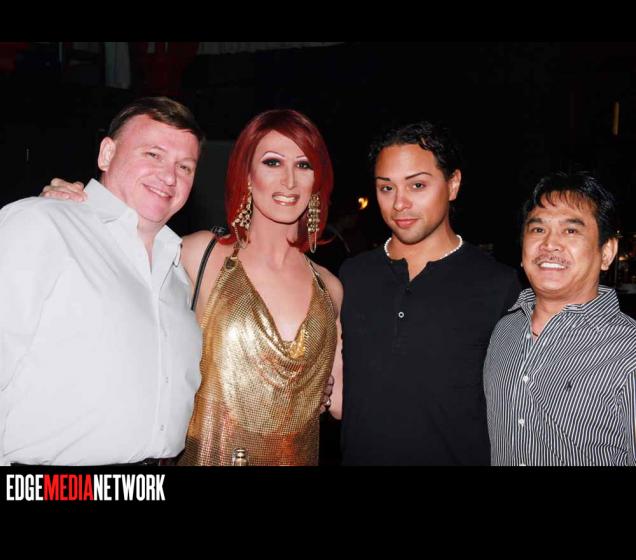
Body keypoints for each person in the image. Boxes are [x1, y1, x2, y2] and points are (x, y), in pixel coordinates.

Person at [41, 109, 343, 466]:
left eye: (304, 165)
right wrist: (80, 207)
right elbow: (116, 260)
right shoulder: (199, 254)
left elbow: (342, 402)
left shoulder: (330, 287)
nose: (289, 180)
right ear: (247, 175)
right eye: (273, 162)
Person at [0, 97, 204, 466]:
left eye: (185, 166)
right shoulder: (42, 225)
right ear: (107, 154)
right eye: (153, 155)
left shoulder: (177, 273)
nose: (169, 176)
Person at [336, 120, 521, 465]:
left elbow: (515, 406)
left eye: (417, 185)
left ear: (453, 184)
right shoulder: (352, 276)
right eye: (386, 188)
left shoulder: (497, 284)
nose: (399, 203)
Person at [484, 171, 636, 466]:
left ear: (607, 252)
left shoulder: (629, 353)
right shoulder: (504, 331)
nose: (549, 244)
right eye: (538, 229)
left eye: (571, 231)